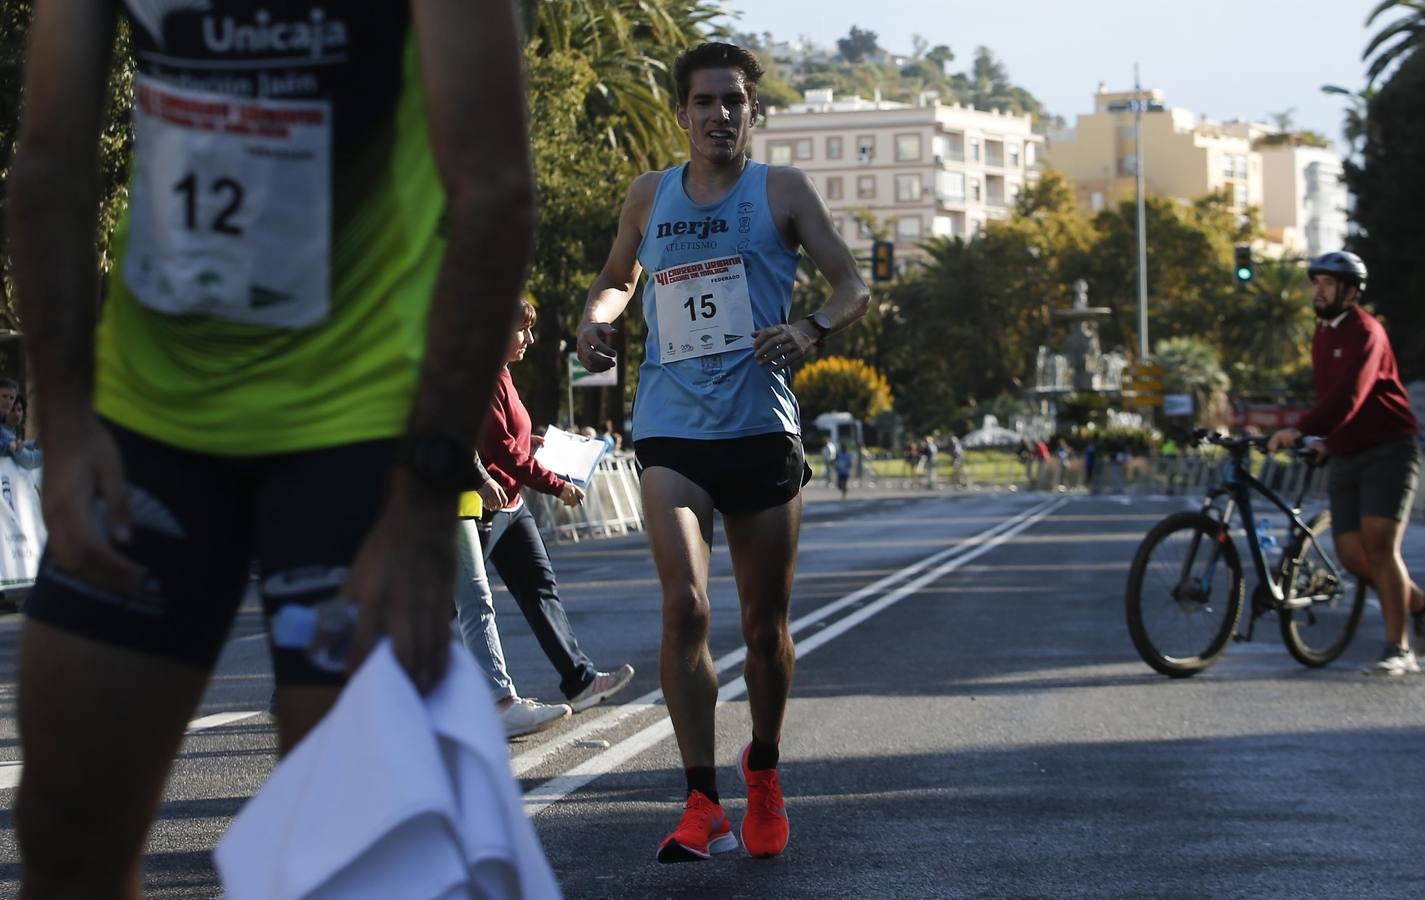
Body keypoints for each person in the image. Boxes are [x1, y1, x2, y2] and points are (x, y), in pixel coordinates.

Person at [6, 3, 534, 896]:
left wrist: (420, 502)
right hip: (153, 420)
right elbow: (52, 161)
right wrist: (62, 426)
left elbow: (491, 187)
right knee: (66, 830)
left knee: (357, 854)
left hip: (357, 430)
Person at [578, 41, 869, 863]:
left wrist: (809, 327)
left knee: (764, 624)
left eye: (732, 102)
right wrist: (595, 317)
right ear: (680, 113)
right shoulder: (648, 195)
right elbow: (615, 277)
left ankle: (764, 771)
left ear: (751, 111)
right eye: (703, 102)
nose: (718, 115)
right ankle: (701, 799)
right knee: (686, 610)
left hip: (760, 429)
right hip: (671, 427)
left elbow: (853, 284)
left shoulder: (782, 192)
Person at [1267, 251, 1425, 676]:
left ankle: (1399, 648)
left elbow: (1352, 396)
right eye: (1315, 283)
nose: (1317, 291)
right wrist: (1327, 441)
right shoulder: (1322, 334)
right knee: (1352, 556)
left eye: (1327, 284)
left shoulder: (1366, 331)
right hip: (1347, 450)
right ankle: (1420, 604)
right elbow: (1332, 402)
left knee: (1379, 544)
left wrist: (1302, 430)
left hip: (1390, 448)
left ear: (1351, 291)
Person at [478, 298, 635, 713]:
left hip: (511, 507)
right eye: (522, 330)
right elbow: (501, 453)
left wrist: (539, 442)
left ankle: (580, 681)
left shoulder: (505, 375)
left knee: (540, 589)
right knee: (453, 607)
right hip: (482, 511)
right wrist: (558, 486)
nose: (529, 339)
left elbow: (513, 443)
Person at [455, 455, 573, 738]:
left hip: (434, 493)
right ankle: (501, 704)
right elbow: (447, 419)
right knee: (474, 602)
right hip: (439, 494)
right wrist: (479, 476)